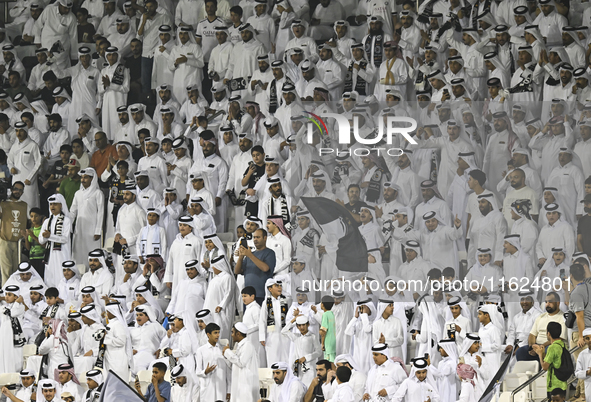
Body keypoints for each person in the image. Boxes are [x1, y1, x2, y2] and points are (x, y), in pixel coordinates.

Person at [70, 168, 104, 267]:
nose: (83, 180)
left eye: (86, 177)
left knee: (91, 252)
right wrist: (68, 225)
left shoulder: (98, 193)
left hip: (92, 230)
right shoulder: (78, 193)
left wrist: (98, 231)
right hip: (79, 229)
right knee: (78, 253)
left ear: (92, 179)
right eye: (82, 177)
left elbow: (101, 212)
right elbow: (73, 211)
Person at [235, 228, 276, 305]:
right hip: (248, 296)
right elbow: (237, 271)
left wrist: (249, 255)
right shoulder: (249, 255)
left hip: (262, 295)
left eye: (258, 237)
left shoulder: (270, 253)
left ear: (265, 238)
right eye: (254, 237)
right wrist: (241, 257)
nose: (255, 239)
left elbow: (265, 268)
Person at [223, 322, 260, 402]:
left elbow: (241, 363)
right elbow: (233, 365)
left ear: (238, 334)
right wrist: (226, 356)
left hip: (245, 384)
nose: (231, 335)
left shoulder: (248, 345)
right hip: (238, 384)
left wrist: (228, 351)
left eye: (232, 332)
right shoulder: (239, 346)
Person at [0, 181, 28, 284]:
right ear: (11, 189)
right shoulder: (3, 204)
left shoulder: (24, 205)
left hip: (18, 242)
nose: (18, 192)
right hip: (5, 240)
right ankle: (5, 295)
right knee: (6, 272)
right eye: (16, 189)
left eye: (20, 190)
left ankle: (15, 295)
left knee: (16, 272)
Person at [532, 321, 569, 394]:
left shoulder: (552, 347)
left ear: (548, 333)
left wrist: (539, 355)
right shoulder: (563, 345)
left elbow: (545, 367)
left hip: (554, 385)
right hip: (563, 384)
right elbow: (553, 360)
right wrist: (542, 354)